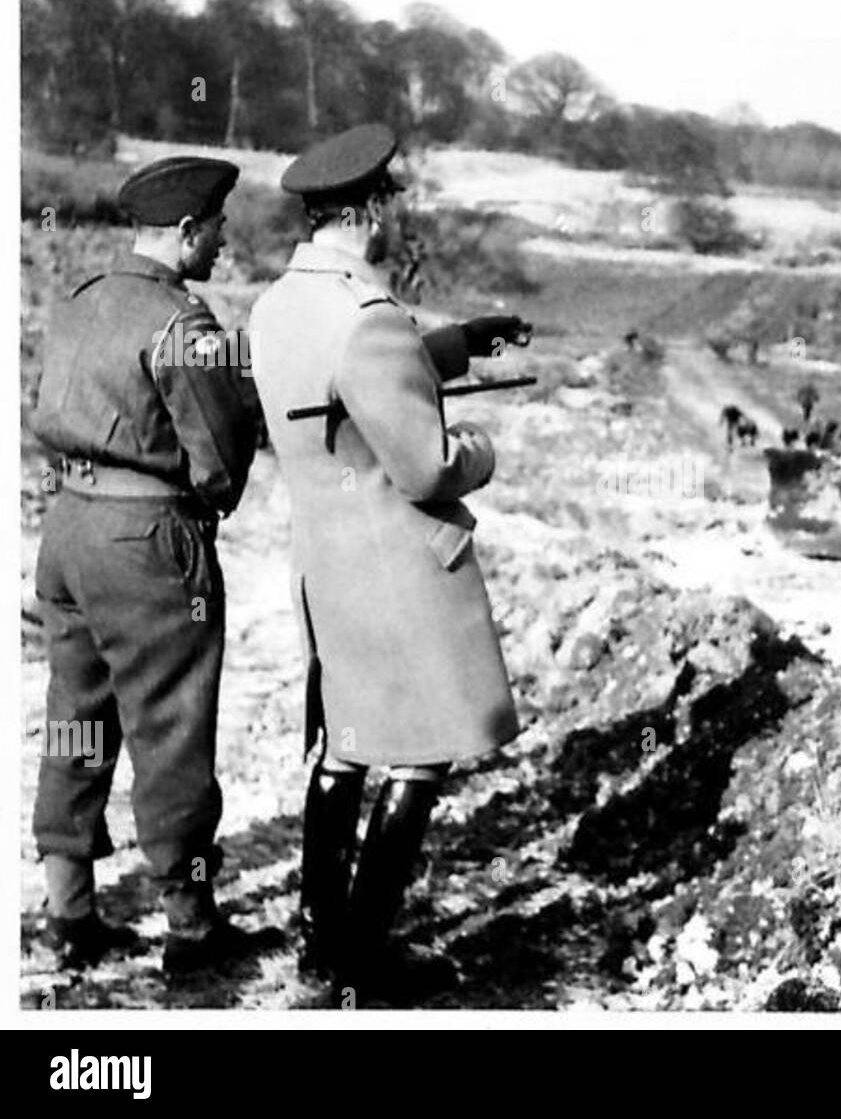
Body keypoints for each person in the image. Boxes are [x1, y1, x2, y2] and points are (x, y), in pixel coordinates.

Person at [248, 124, 530, 1003]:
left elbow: (348, 385)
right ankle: (363, 959)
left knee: (344, 750)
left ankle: (317, 947)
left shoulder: (278, 307)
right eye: (389, 208)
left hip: (327, 565)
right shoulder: (370, 320)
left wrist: (455, 343)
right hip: (401, 573)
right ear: (369, 211)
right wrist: (479, 450)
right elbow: (426, 466)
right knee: (422, 753)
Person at [29, 156, 263, 973]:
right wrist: (213, 497)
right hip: (146, 540)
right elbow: (220, 457)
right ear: (189, 231)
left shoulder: (83, 298)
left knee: (74, 716)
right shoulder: (185, 326)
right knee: (171, 729)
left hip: (67, 530)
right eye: (219, 227)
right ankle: (191, 928)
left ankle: (66, 915)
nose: (225, 241)